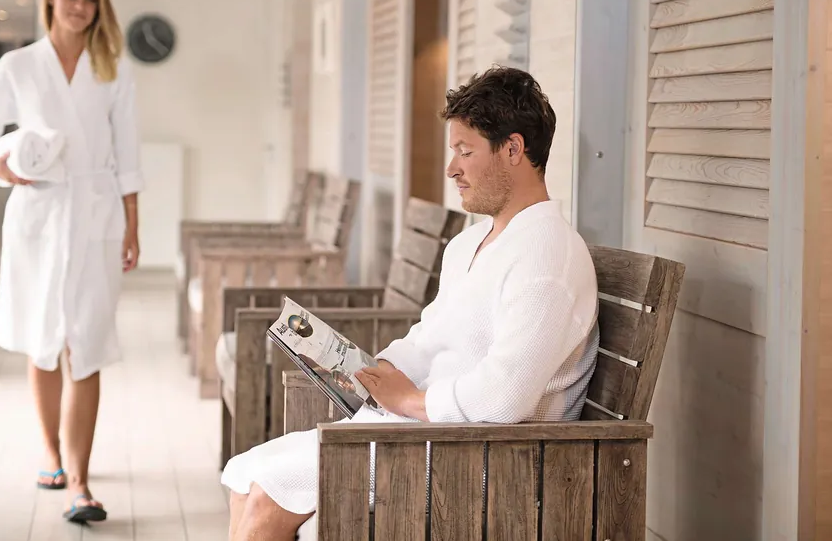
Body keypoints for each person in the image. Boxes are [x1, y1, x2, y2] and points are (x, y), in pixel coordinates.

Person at [221, 66, 600, 541]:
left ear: (513, 149)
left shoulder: (548, 256)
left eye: (465, 151)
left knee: (267, 497)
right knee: (247, 477)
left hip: (482, 461)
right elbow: (428, 337)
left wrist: (407, 399)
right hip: (425, 435)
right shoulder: (471, 243)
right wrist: (372, 369)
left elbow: (505, 396)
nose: (452, 168)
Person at [0, 0, 143, 523]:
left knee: (85, 344)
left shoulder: (112, 68)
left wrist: (133, 223)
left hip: (96, 214)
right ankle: (51, 455)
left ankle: (81, 483)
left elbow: (128, 153)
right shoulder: (18, 66)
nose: (81, 7)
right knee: (42, 338)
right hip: (38, 214)